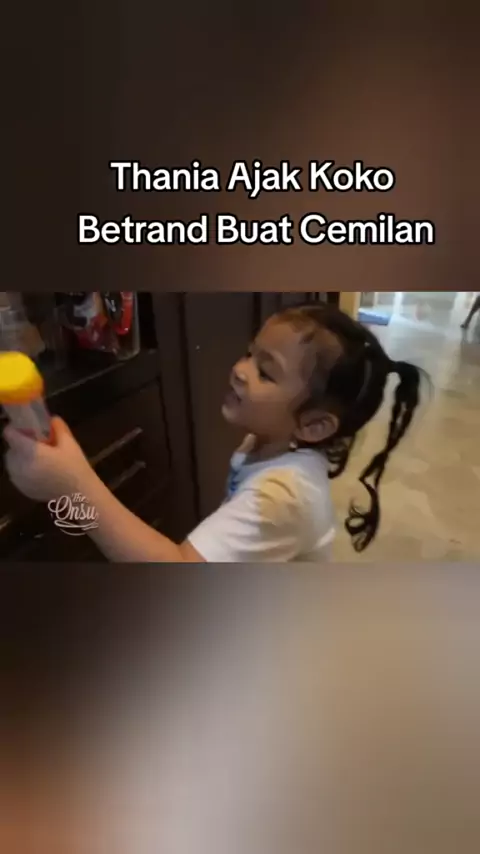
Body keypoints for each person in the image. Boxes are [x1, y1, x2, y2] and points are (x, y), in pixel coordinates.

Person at [4, 304, 423, 562]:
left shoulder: (283, 497)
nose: (239, 370)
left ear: (313, 425)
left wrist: (72, 487)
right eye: (248, 354)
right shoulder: (267, 443)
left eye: (265, 372)